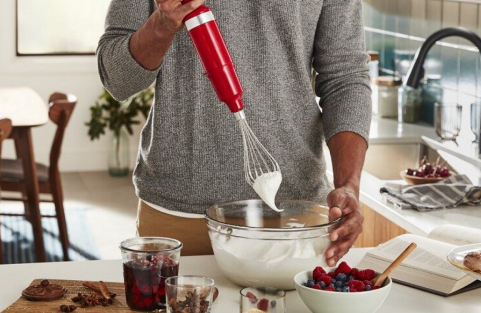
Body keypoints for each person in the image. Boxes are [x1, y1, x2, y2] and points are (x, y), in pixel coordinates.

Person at [97, 0, 371, 265]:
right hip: (179, 218)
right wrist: (161, 25)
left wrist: (348, 185)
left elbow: (345, 78)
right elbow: (117, 80)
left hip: (296, 219)